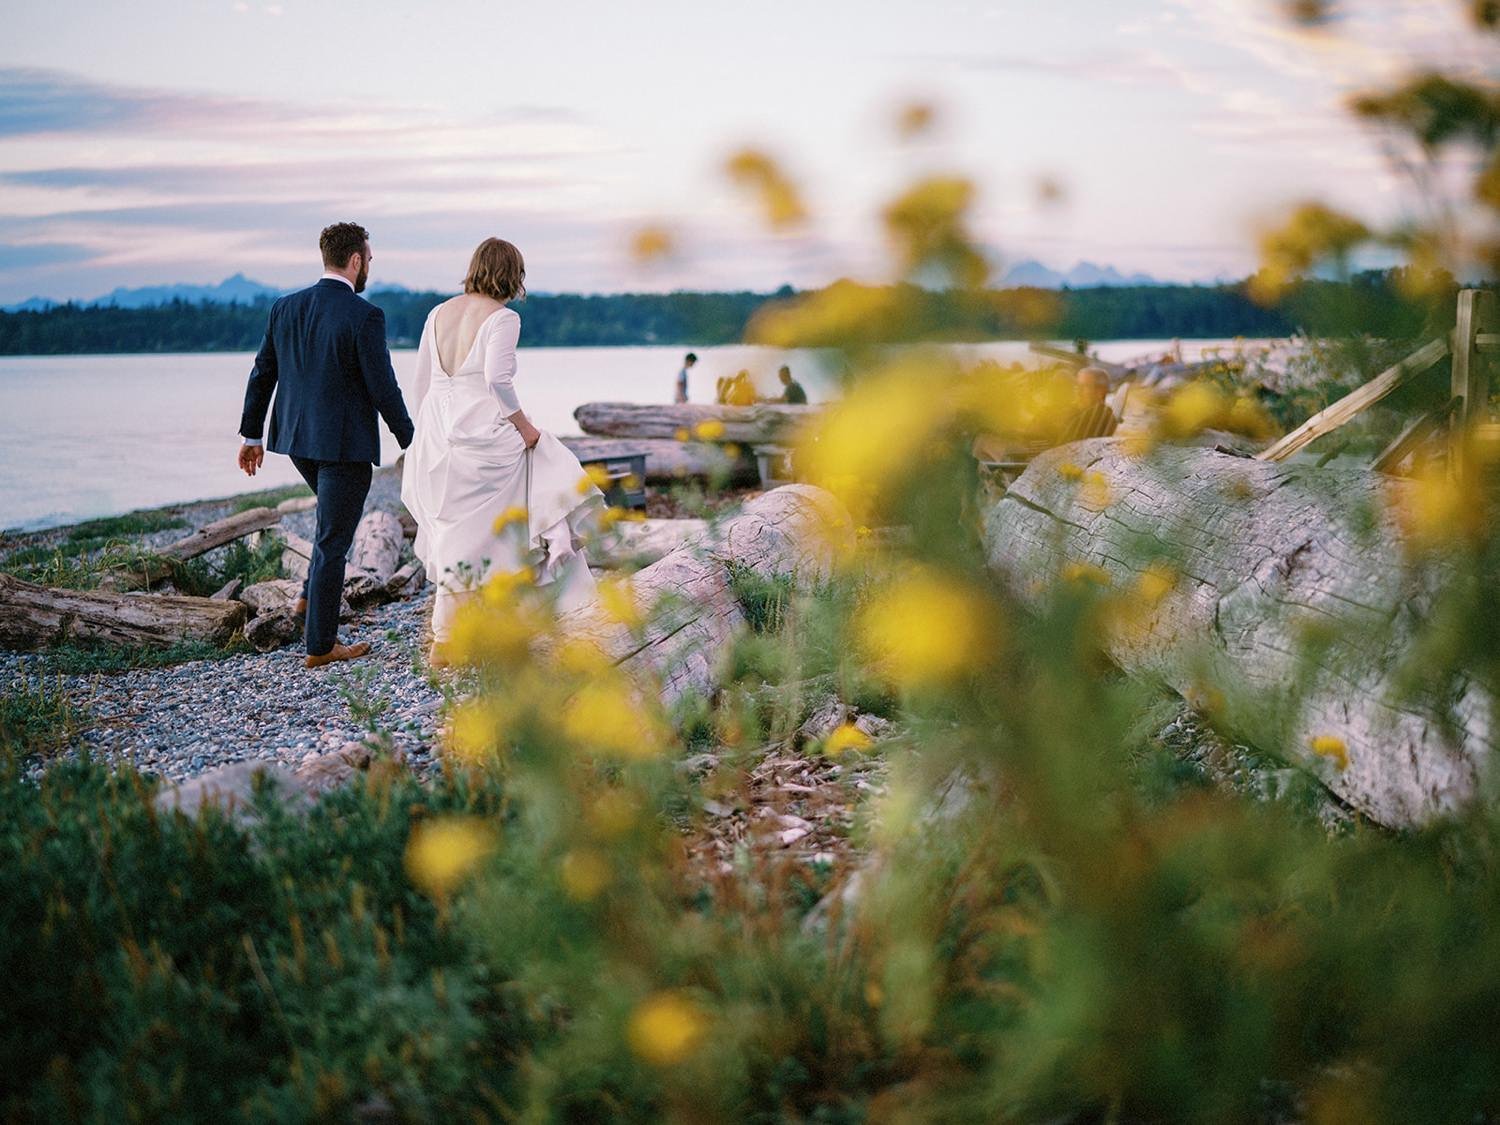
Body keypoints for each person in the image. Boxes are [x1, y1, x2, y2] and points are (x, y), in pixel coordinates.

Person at [400, 237, 605, 666]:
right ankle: (563, 595)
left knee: (460, 533)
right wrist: (525, 426)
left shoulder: (438, 313)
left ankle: (452, 637)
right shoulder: (503, 318)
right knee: (546, 465)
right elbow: (496, 379)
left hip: (438, 434)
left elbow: (421, 383)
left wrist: (426, 437)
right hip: (481, 429)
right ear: (512, 275)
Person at [238, 221, 414, 669]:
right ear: (355, 261)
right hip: (343, 447)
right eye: (369, 259)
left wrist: (252, 435)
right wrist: (411, 438)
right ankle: (320, 646)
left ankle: (304, 603)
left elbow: (262, 373)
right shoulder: (364, 315)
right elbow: (383, 387)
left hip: (297, 440)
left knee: (330, 524)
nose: (369, 266)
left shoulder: (285, 308)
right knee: (335, 539)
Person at [1058, 366, 1119, 443]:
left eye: (1084, 387)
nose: (1078, 392)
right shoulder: (1077, 412)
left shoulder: (1098, 417)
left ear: (1100, 392)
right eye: (1077, 386)